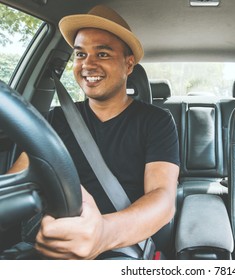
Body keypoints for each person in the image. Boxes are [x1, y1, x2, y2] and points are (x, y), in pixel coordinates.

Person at [7, 5, 180, 259]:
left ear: (128, 64)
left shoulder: (156, 121)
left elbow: (162, 199)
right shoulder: (54, 119)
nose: (87, 64)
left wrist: (102, 234)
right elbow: (17, 182)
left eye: (102, 54)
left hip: (121, 247)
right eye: (80, 54)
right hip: (51, 243)